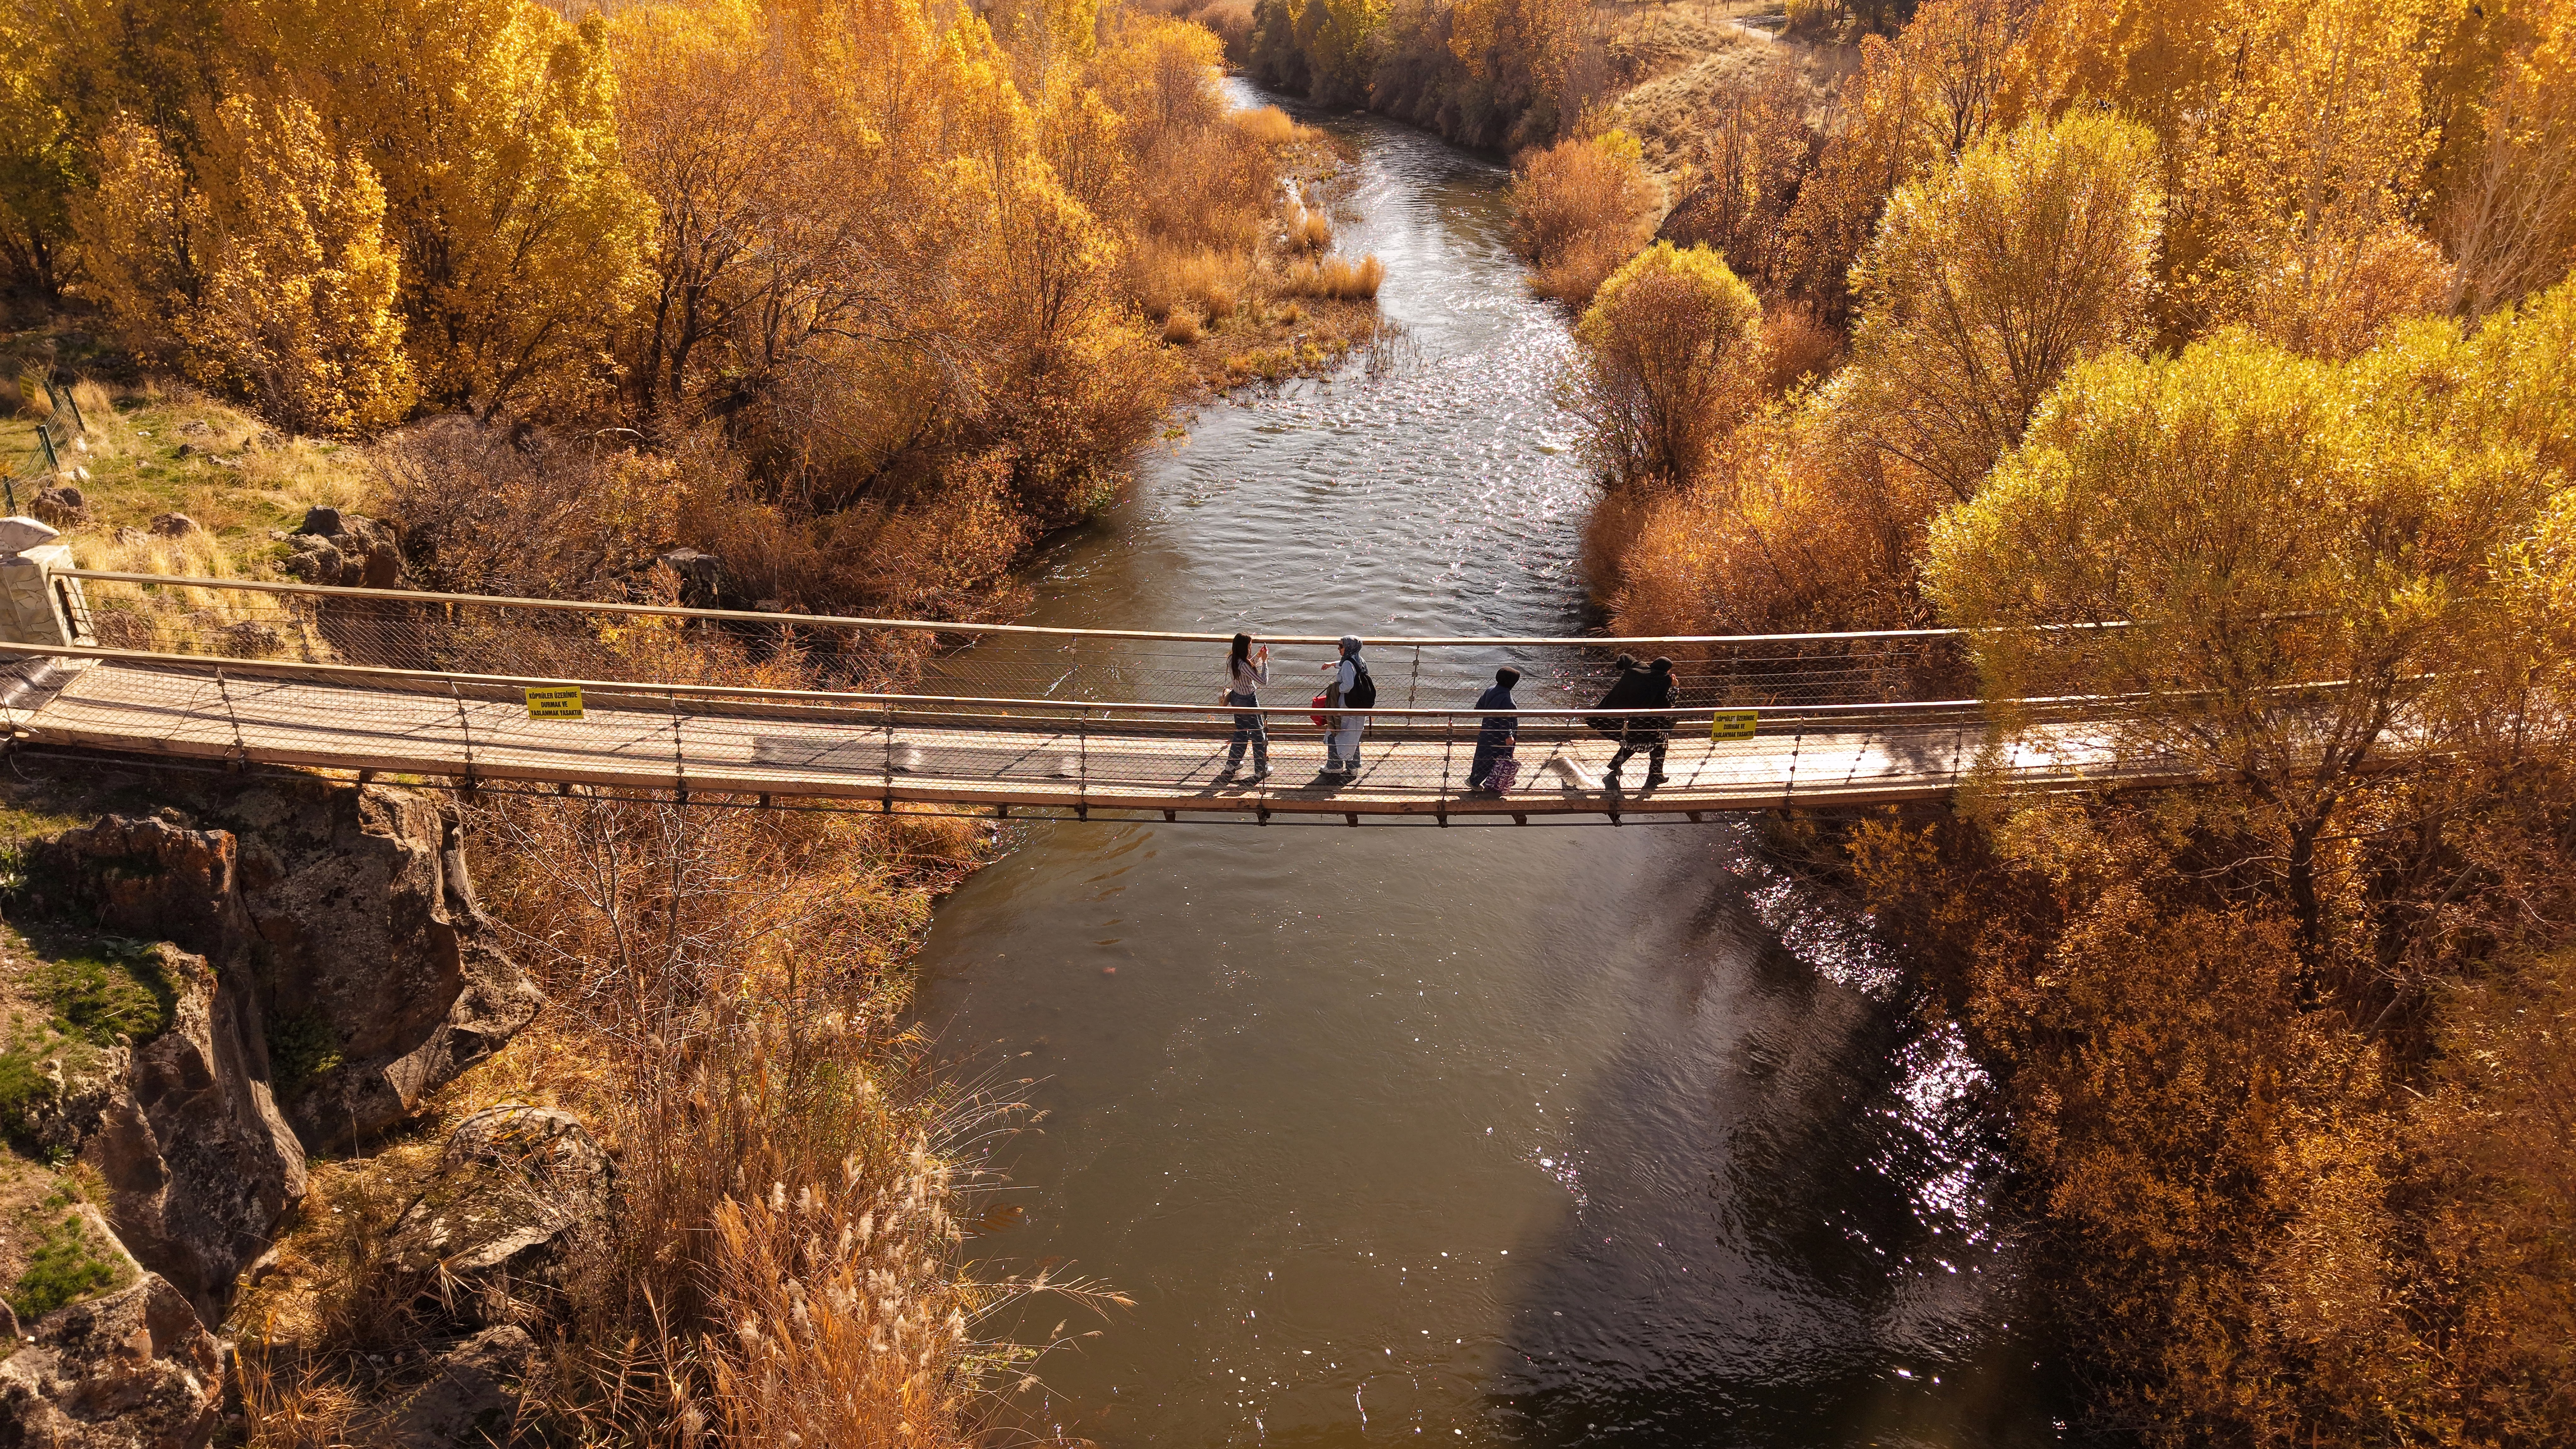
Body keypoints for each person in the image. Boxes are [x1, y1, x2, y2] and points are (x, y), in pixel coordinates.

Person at [1605, 656, 1678, 789]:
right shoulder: (1662, 682)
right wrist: (1675, 687)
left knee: (1634, 744)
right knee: (1658, 746)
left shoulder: (1643, 676)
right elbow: (1669, 704)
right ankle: (1655, 775)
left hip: (1639, 721)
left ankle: (1616, 765)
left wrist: (1620, 666)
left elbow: (1626, 658)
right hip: (1656, 725)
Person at [1218, 632, 1270, 781]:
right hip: (1248, 701)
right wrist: (1265, 662)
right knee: (1259, 735)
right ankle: (1261, 770)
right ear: (1245, 648)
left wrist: (1258, 657)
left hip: (1236, 698)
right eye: (1250, 646)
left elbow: (1247, 668)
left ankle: (1232, 765)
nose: (1251, 648)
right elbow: (1263, 680)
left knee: (1241, 732)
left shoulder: (1232, 660)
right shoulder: (1244, 665)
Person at [1320, 635, 1373, 778]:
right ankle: (1353, 767)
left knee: (1335, 731)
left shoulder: (1349, 664)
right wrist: (1332, 664)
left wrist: (1337, 688)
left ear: (1348, 648)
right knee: (1353, 737)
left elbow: (1348, 684)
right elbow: (1347, 665)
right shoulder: (1359, 661)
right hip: (1358, 706)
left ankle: (1334, 766)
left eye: (1341, 646)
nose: (1339, 648)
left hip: (1346, 705)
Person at [1468, 665, 1520, 791]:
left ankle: (1476, 779)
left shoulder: (1490, 690)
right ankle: (1476, 782)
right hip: (1500, 737)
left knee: (1483, 757)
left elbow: (1479, 708)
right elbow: (1505, 720)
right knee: (1502, 757)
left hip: (1487, 731)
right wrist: (1508, 736)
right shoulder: (1508, 700)